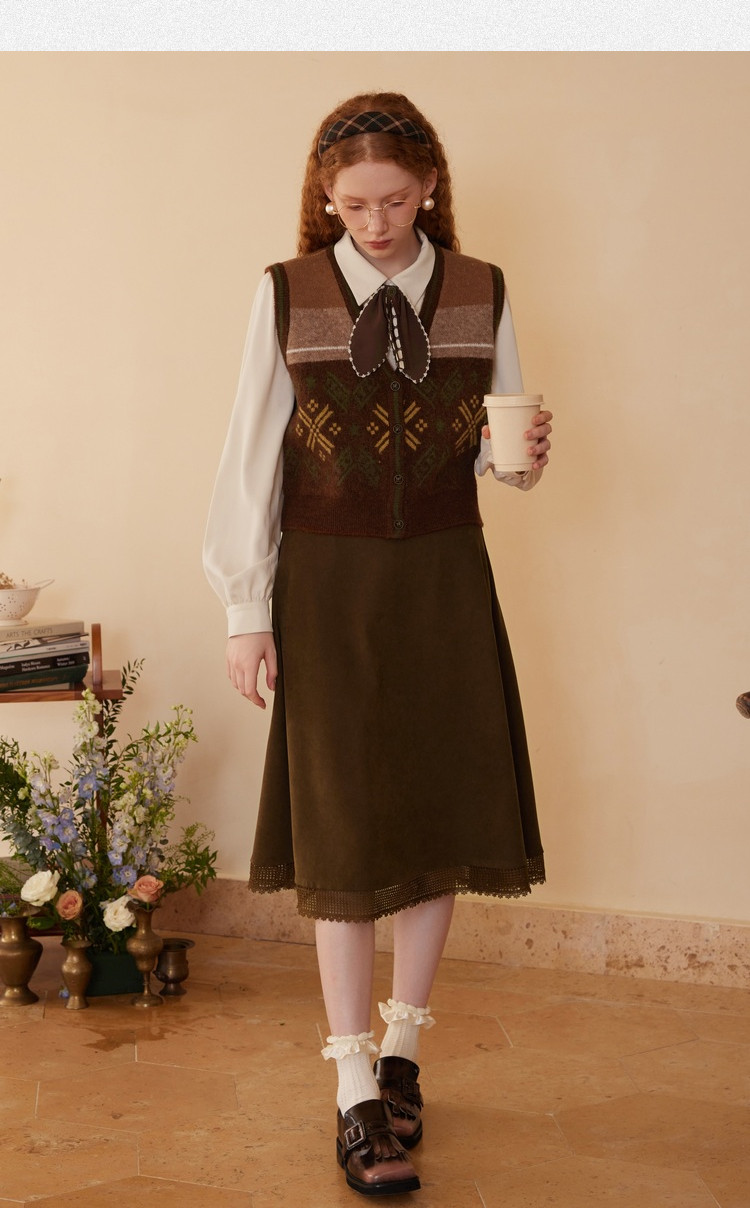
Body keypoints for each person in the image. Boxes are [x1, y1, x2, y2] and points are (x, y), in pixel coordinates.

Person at [204, 92, 552, 1198]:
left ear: (430, 187)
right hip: (326, 583)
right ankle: (354, 1086)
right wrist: (246, 610)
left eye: (394, 201)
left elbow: (495, 446)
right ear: (326, 196)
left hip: (446, 574)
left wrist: (521, 457)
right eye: (352, 204)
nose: (375, 222)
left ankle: (403, 1049)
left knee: (441, 809)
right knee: (346, 831)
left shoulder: (482, 288)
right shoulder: (288, 293)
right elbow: (251, 456)